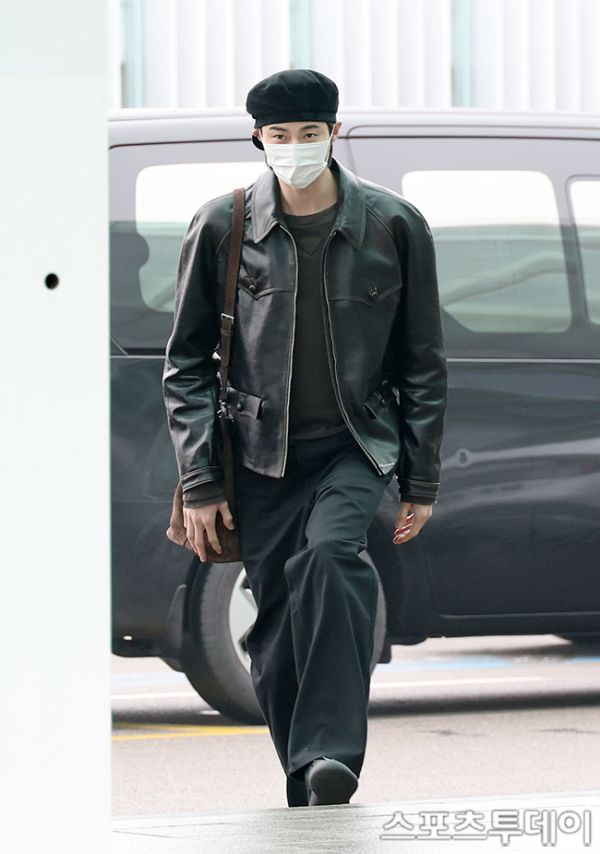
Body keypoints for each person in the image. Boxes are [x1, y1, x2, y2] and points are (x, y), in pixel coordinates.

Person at [162, 68, 448, 808]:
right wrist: (200, 480)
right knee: (275, 624)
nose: (295, 147)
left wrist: (420, 479)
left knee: (330, 558)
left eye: (310, 133)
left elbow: (421, 361)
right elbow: (186, 363)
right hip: (258, 453)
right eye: (280, 135)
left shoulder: (393, 224)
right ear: (258, 138)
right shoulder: (222, 225)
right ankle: (310, 780)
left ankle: (330, 752)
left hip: (355, 443)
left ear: (334, 132)